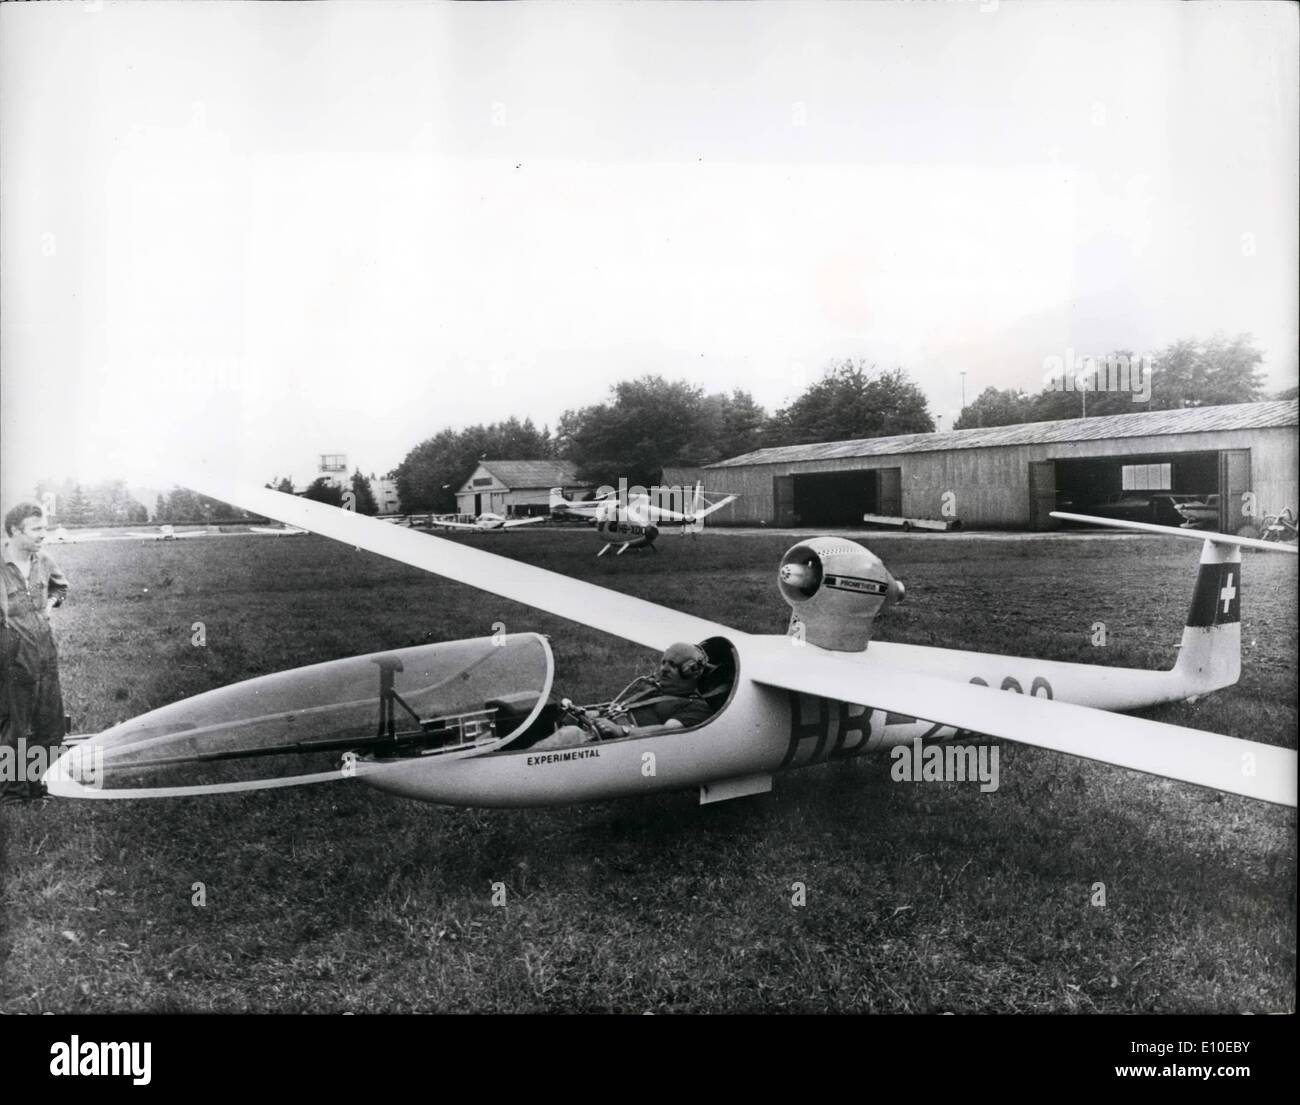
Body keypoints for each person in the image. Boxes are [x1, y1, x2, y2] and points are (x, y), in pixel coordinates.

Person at [531, 642, 719, 751]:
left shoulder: (696, 707)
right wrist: (590, 714)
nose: (664, 669)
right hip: (602, 733)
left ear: (690, 671)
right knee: (548, 712)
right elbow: (618, 708)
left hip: (623, 748)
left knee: (569, 734)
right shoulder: (654, 689)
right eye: (664, 663)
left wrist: (623, 731)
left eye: (672, 664)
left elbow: (667, 731)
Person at [1, 503, 69, 802]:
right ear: (15, 531)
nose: (45, 534)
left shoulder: (44, 559)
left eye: (45, 528)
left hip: (45, 649)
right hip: (11, 653)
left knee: (52, 726)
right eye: (37, 529)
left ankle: (33, 783)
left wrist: (50, 606)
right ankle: (12, 794)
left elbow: (60, 587)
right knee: (13, 729)